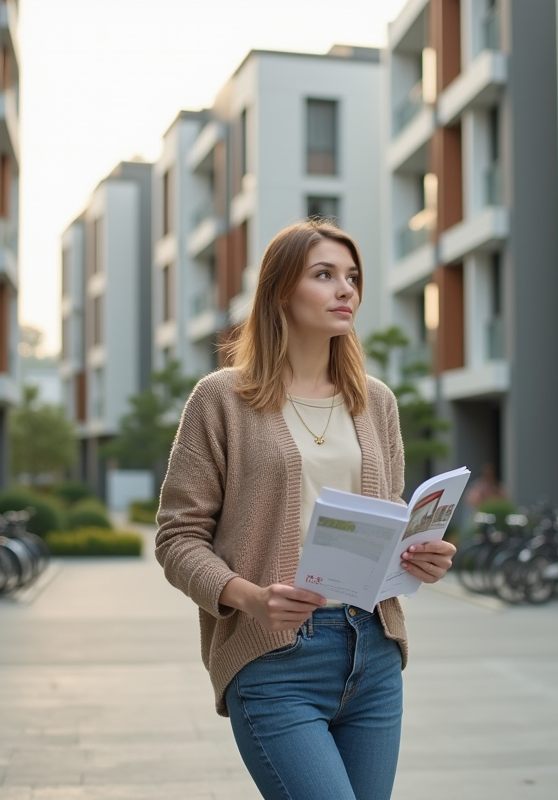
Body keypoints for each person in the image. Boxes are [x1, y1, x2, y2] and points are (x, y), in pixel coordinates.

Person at [155, 219, 457, 800]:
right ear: (280, 292)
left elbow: (388, 512)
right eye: (324, 275)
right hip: (275, 657)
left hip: (372, 649)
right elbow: (177, 538)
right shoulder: (221, 398)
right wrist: (248, 597)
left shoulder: (375, 401)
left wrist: (421, 554)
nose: (346, 289)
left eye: (353, 277)